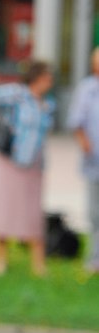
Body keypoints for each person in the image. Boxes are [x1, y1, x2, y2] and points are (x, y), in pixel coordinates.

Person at [0, 61, 55, 277]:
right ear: (37, 77)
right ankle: (0, 258)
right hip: (11, 160)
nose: (51, 81)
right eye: (47, 76)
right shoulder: (17, 94)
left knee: (32, 211)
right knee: (6, 207)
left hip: (35, 164)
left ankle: (38, 262)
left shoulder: (48, 103)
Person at [67, 47, 99, 273]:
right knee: (96, 214)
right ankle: (94, 260)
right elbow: (76, 121)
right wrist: (85, 144)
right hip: (95, 161)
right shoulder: (87, 89)